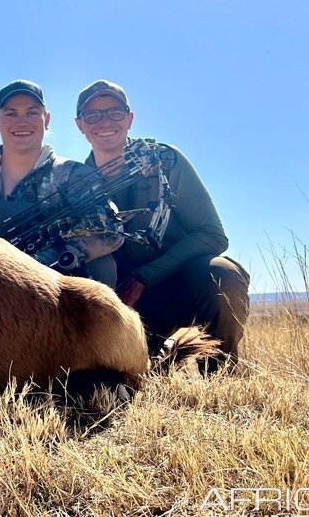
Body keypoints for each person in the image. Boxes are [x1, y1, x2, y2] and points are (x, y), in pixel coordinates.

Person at [73, 79, 250, 370]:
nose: (104, 121)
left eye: (115, 112)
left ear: (129, 119)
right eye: (93, 115)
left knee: (223, 275)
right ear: (80, 124)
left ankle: (221, 372)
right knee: (135, 373)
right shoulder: (75, 185)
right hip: (128, 301)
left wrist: (146, 276)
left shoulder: (166, 161)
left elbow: (213, 235)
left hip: (181, 281)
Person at [0, 79, 122, 286]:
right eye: (11, 113)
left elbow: (110, 230)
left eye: (32, 113)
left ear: (46, 120)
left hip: (51, 294)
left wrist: (38, 263)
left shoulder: (75, 175)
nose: (22, 122)